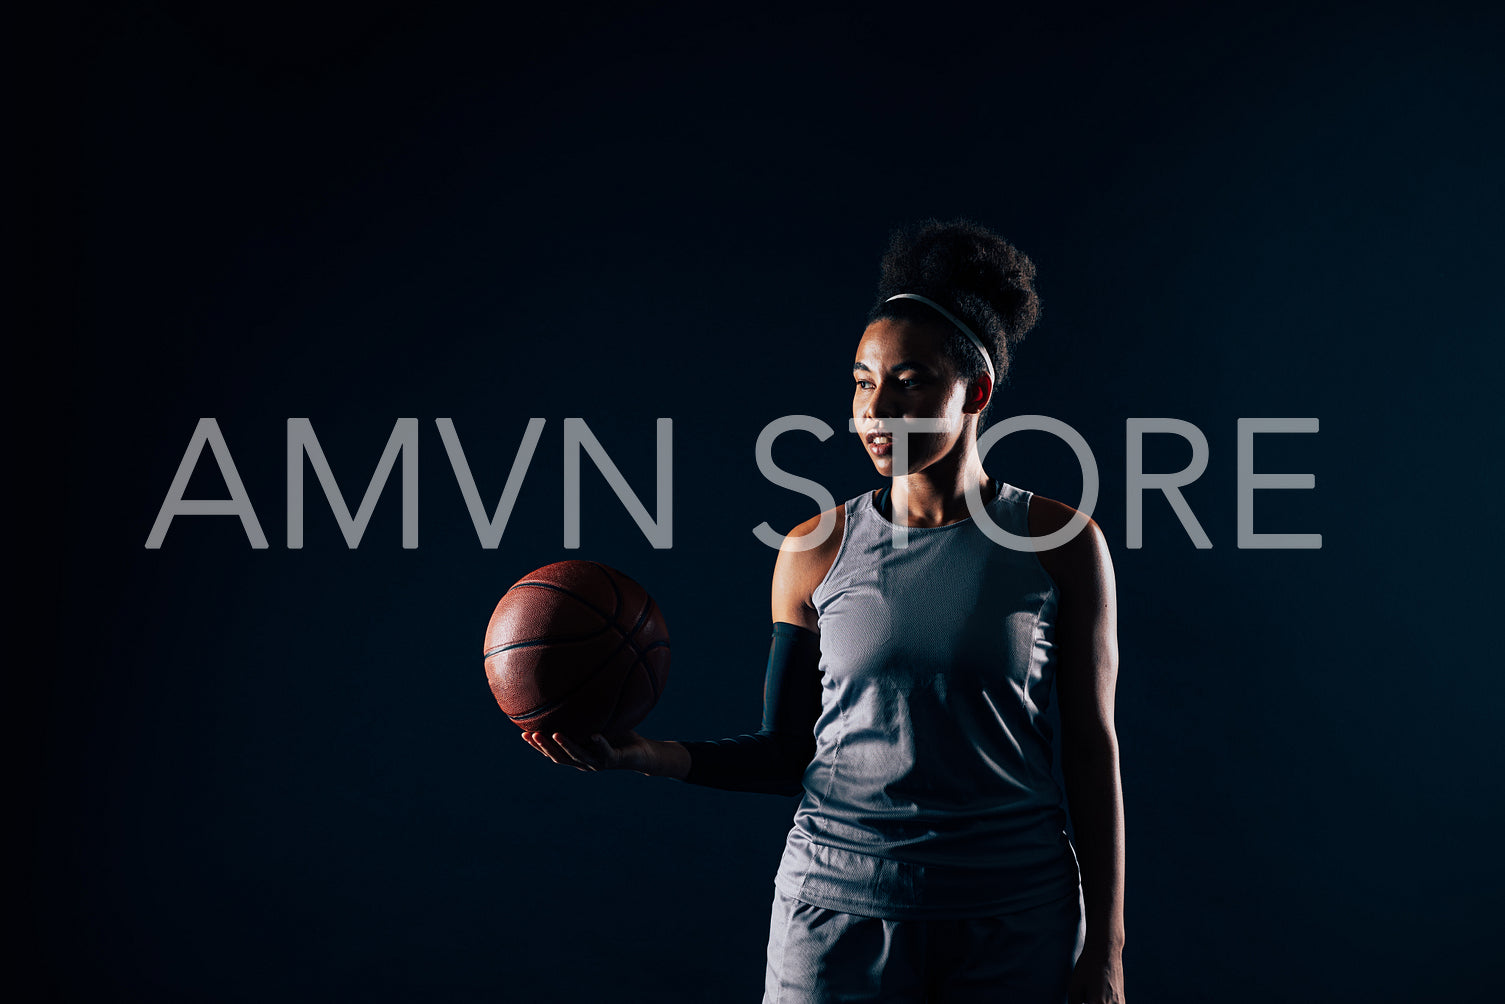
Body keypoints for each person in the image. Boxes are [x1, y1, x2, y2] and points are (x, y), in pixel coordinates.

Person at [522, 218, 1127, 1004]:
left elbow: (1090, 750)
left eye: (908, 380)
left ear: (974, 391)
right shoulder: (814, 547)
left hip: (1012, 917)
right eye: (861, 380)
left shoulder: (1058, 542)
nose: (874, 408)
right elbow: (786, 752)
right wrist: (646, 755)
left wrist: (1105, 949)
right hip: (836, 911)